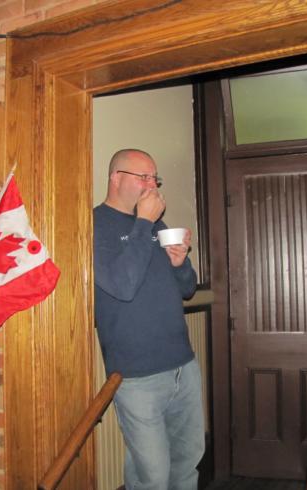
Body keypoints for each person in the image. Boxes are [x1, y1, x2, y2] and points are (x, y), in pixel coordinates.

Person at [93, 149, 205, 490]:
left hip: (183, 366)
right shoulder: (94, 225)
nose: (152, 185)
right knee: (152, 476)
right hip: (136, 375)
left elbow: (187, 288)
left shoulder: (158, 226)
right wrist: (143, 223)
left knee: (187, 462)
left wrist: (180, 263)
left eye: (154, 178)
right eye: (143, 177)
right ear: (115, 178)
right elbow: (122, 286)